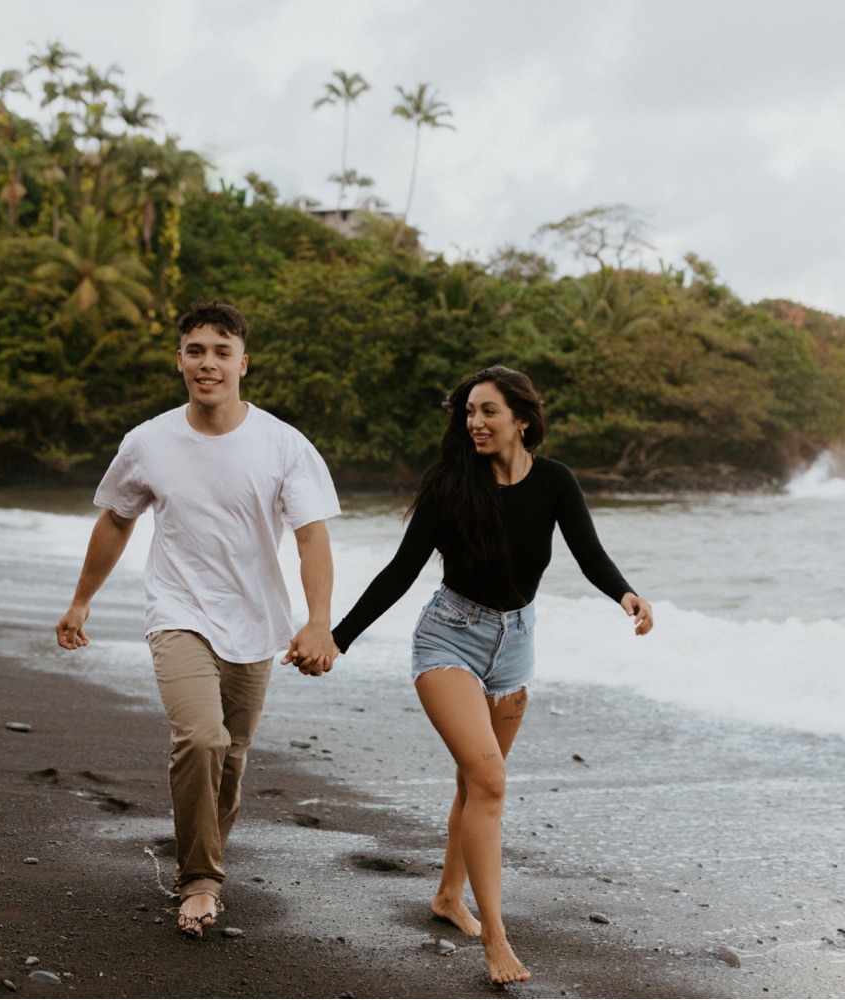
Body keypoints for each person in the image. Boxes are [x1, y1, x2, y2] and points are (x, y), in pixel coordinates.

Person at [317, 365, 653, 984]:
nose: (474, 422)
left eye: (488, 411)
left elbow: (588, 551)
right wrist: (338, 638)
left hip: (517, 644)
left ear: (522, 419)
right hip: (449, 636)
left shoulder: (555, 481)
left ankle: (448, 896)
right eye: (469, 411)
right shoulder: (450, 484)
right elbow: (400, 571)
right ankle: (496, 940)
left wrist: (625, 594)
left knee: (476, 784)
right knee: (491, 781)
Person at [55, 300, 342, 938]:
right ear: (179, 359)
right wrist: (82, 600)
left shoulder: (283, 445)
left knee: (231, 757)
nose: (207, 363)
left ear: (243, 361)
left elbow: (312, 538)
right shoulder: (149, 441)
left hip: (255, 621)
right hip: (177, 610)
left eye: (220, 351)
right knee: (202, 740)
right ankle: (200, 879)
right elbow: (117, 519)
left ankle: (203, 853)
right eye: (195, 350)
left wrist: (318, 621)